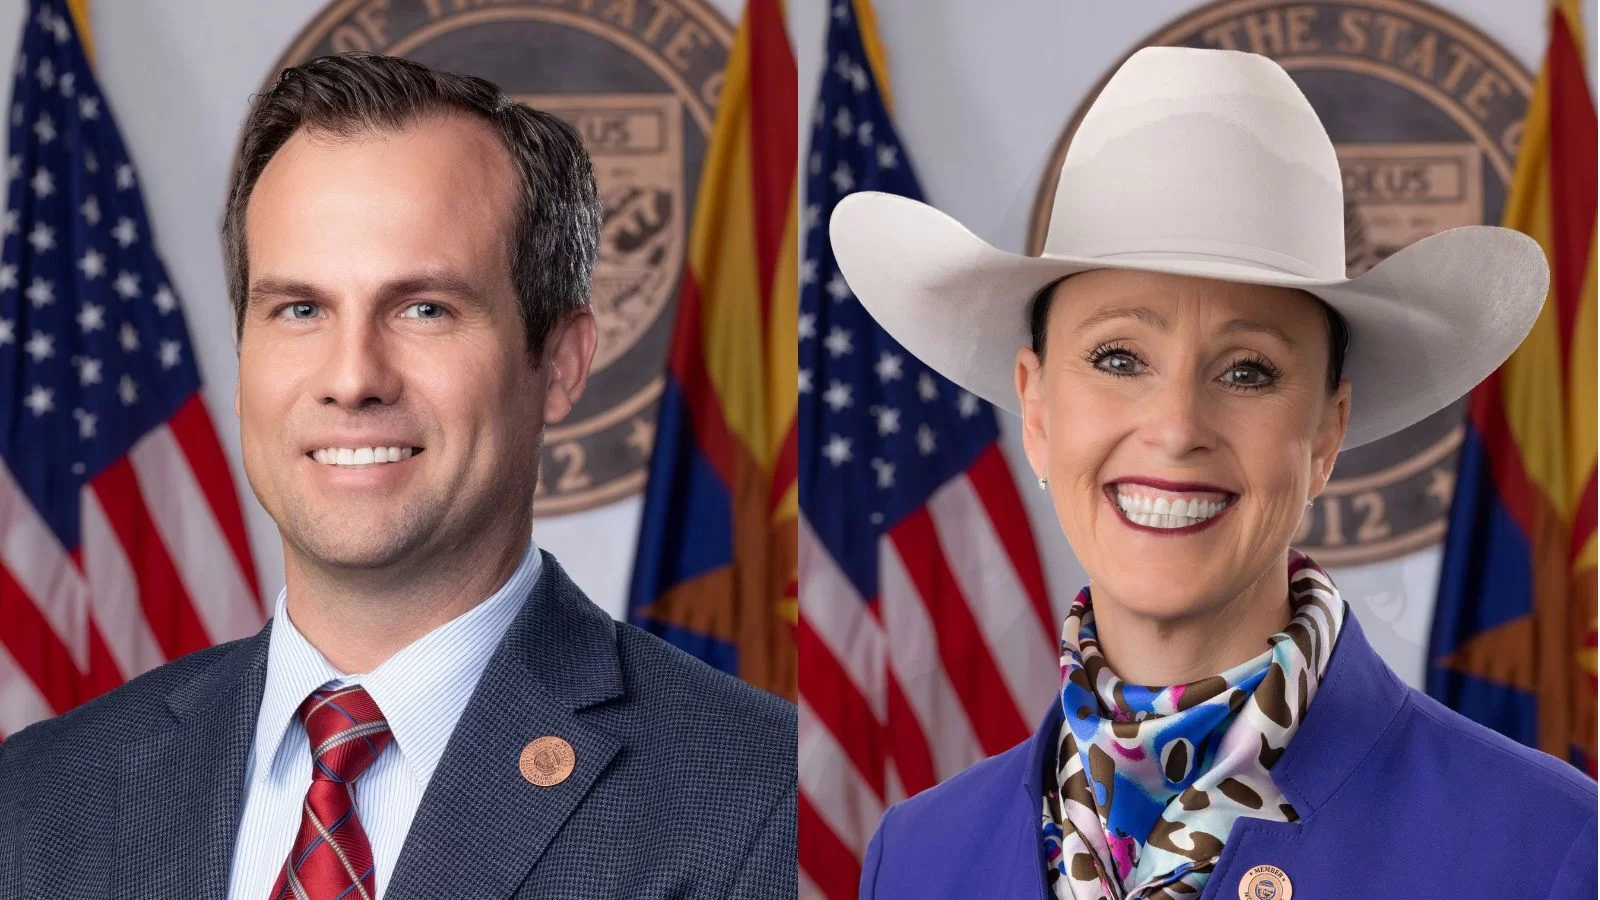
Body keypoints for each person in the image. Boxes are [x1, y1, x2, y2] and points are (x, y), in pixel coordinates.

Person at [0, 52, 795, 900]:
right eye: (300, 310)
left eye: (425, 309)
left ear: (559, 365)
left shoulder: (757, 803)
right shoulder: (41, 798)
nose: (353, 377)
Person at [829, 46, 1595, 900]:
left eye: (1248, 371)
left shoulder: (1549, 846)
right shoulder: (917, 856)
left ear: (1324, 435)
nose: (1176, 426)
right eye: (1119, 357)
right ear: (1037, 410)